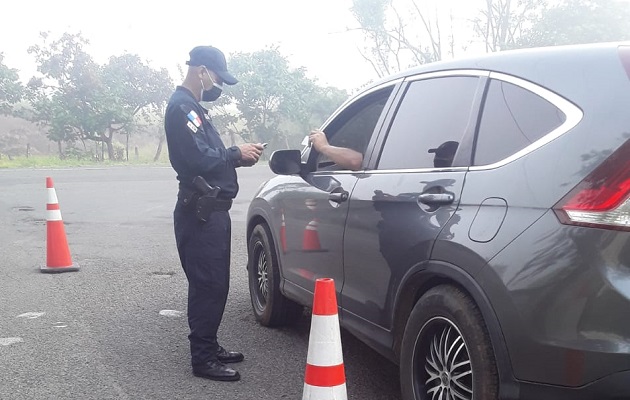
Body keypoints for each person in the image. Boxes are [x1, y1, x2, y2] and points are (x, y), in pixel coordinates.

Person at [164, 45, 264, 382]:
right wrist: (236, 153)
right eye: (217, 77)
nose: (217, 84)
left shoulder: (194, 108)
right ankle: (203, 359)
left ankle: (210, 343)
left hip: (212, 212)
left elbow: (208, 152)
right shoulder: (182, 108)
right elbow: (195, 158)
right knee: (208, 284)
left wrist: (236, 154)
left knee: (215, 284)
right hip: (201, 212)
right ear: (202, 70)